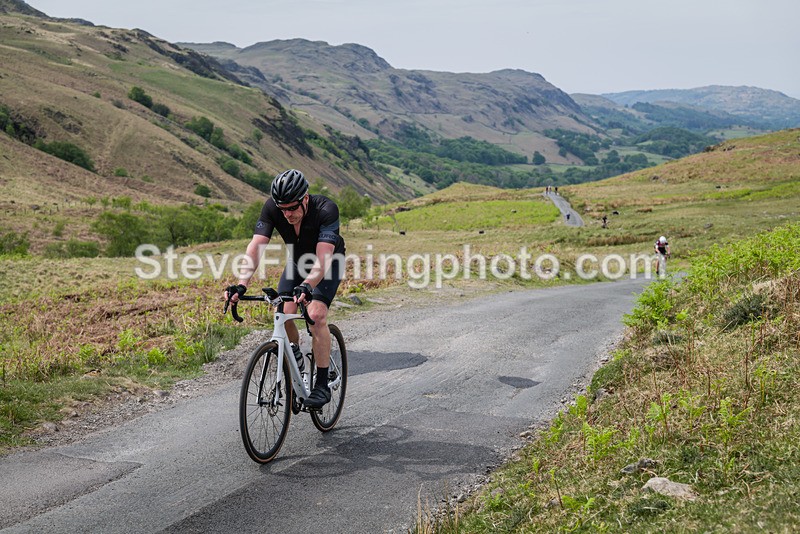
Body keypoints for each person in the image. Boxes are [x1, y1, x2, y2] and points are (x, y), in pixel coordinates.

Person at [224, 169, 345, 408]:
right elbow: (256, 245)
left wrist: (308, 286)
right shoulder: (272, 208)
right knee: (282, 311)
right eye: (283, 209)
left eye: (292, 207)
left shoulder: (326, 210)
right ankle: (295, 355)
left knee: (316, 315)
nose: (287, 214)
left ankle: (321, 384)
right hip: (298, 263)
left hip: (328, 263)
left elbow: (323, 258)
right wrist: (242, 283)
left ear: (305, 199)